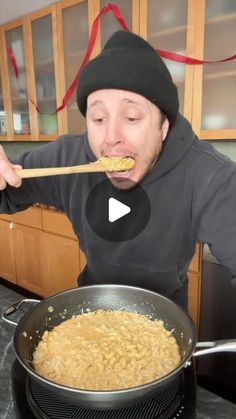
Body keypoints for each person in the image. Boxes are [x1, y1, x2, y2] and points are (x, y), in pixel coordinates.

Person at [0, 30, 236, 310]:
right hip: (91, 312)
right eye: (98, 118)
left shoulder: (208, 175)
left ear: (163, 127)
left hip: (165, 319)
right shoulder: (66, 157)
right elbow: (6, 194)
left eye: (132, 117)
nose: (111, 136)